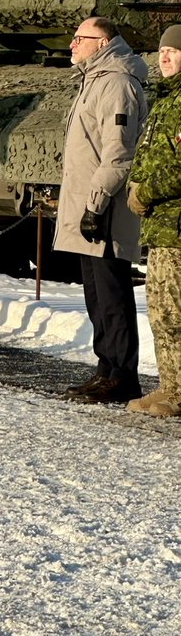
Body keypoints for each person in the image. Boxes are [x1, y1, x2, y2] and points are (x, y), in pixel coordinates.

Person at [54, 17, 148, 405]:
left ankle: (123, 374)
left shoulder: (117, 84)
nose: (73, 45)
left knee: (112, 294)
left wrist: (96, 203)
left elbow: (118, 151)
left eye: (81, 38)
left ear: (103, 42)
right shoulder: (94, 80)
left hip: (103, 210)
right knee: (96, 294)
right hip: (85, 205)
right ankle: (106, 367)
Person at [126, 24, 181, 418]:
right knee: (161, 312)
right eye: (162, 50)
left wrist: (145, 191)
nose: (164, 57)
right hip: (162, 226)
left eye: (174, 51)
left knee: (175, 313)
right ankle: (169, 386)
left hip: (176, 225)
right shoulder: (166, 99)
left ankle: (178, 393)